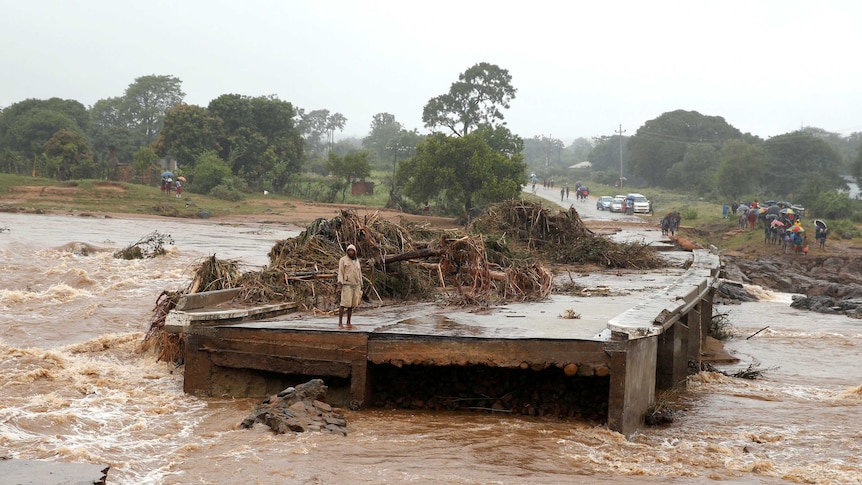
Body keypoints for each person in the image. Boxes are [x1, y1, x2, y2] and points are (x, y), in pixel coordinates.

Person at [337, 244, 362, 329]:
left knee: (351, 305)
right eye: (349, 250)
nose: (351, 252)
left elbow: (359, 273)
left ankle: (348, 322)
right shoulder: (343, 260)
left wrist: (361, 284)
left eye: (352, 251)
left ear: (355, 252)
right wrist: (339, 284)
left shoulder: (357, 261)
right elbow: (340, 272)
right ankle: (340, 323)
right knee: (344, 303)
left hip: (356, 285)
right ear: (347, 251)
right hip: (346, 285)